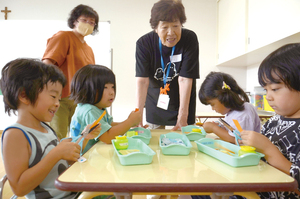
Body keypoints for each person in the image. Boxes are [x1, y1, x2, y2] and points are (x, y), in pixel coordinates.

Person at [0, 58, 101, 198]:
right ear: (24, 95)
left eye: (59, 98)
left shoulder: (46, 129)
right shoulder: (15, 135)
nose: (57, 103)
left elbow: (59, 164)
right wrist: (56, 154)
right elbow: (19, 188)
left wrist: (83, 137)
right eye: (53, 96)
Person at [240, 43, 300, 198]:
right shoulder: (273, 121)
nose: (268, 96)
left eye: (275, 89)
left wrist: (268, 150)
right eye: (265, 89)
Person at [135, 0, 199, 130]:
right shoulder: (144, 43)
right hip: (155, 99)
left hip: (183, 101)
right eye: (164, 27)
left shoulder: (189, 39)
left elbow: (185, 79)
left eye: (176, 26)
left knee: (184, 138)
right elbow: (142, 81)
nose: (171, 33)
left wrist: (183, 116)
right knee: (154, 141)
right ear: (156, 29)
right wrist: (138, 116)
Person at [42, 4, 99, 139]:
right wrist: (53, 92)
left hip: (80, 100)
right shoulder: (64, 37)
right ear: (74, 21)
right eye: (84, 20)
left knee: (80, 136)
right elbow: (47, 65)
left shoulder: (88, 49)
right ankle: (54, 160)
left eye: (92, 22)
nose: (88, 24)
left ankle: (74, 161)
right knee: (57, 136)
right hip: (60, 98)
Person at [69, 64, 141, 153]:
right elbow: (107, 137)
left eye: (112, 87)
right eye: (105, 87)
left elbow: (108, 125)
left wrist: (129, 124)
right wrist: (129, 122)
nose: (111, 92)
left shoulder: (99, 107)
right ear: (86, 90)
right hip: (82, 158)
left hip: (93, 153)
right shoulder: (89, 110)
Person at [199, 72, 261, 144]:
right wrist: (220, 126)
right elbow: (234, 130)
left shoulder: (243, 114)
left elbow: (237, 139)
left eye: (212, 104)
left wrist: (214, 128)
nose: (212, 108)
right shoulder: (233, 112)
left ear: (224, 98)